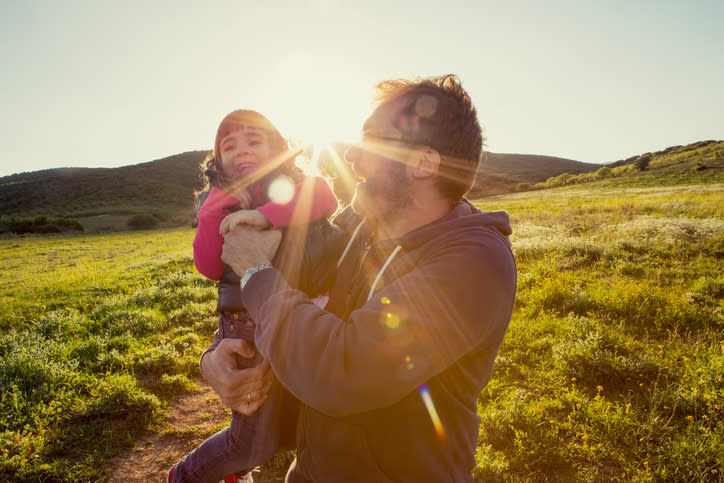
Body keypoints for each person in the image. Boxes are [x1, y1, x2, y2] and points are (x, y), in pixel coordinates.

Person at [208, 75, 517, 482]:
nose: (352, 155)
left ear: (424, 163)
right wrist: (214, 357)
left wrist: (255, 272)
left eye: (372, 141)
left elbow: (342, 372)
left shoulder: (474, 263)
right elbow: (295, 293)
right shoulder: (356, 224)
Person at [167, 110, 339, 483]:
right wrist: (214, 208)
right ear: (219, 161)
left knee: (302, 422)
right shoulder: (218, 201)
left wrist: (267, 215)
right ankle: (186, 476)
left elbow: (325, 198)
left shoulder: (299, 183)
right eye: (230, 146)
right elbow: (209, 265)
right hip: (246, 330)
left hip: (304, 315)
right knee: (252, 441)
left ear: (278, 148)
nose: (242, 150)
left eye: (254, 141)